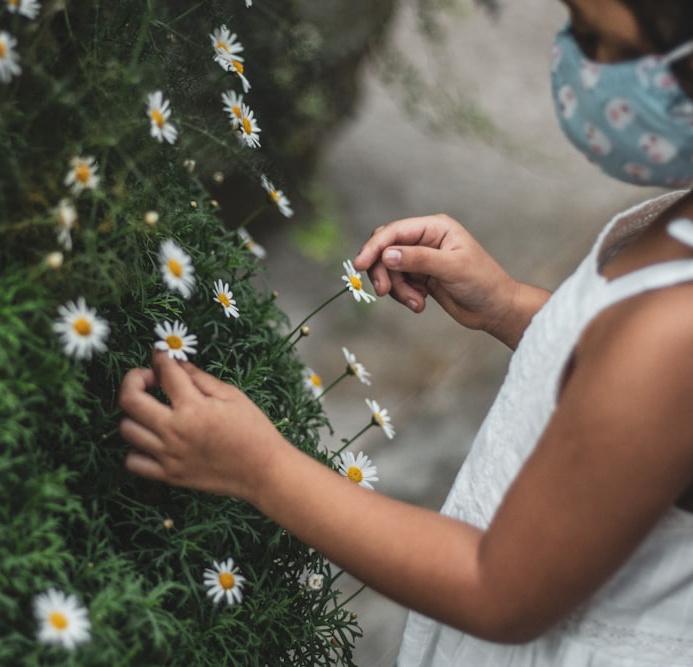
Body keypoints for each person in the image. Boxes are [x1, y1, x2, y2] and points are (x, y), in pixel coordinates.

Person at [117, 0, 693, 663]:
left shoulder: (675, 333)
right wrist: (510, 306)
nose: (579, 68)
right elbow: (637, 408)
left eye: (602, 42)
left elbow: (498, 587)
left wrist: (261, 468)